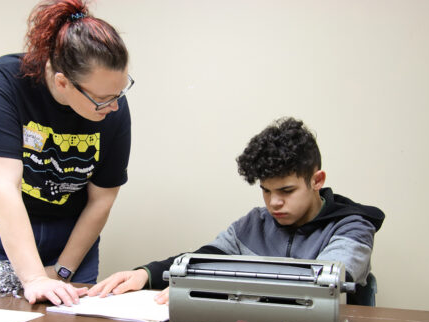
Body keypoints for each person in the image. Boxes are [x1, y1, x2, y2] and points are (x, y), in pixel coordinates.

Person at [0, 0, 133, 306]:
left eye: (120, 93)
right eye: (102, 99)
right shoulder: (4, 82)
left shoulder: (112, 106)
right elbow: (2, 189)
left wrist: (63, 270)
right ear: (63, 82)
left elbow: (102, 199)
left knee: (69, 320)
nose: (113, 107)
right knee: (2, 315)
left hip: (69, 224)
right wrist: (33, 278)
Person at [88, 117, 385, 305]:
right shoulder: (255, 222)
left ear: (317, 181)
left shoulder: (353, 227)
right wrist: (148, 274)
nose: (273, 204)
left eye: (286, 191)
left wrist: (220, 283)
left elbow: (320, 284)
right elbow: (207, 257)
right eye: (266, 191)